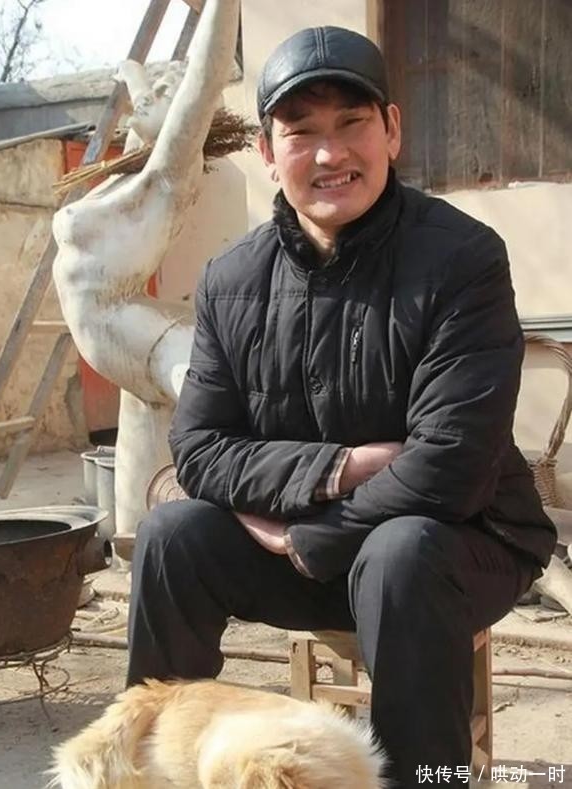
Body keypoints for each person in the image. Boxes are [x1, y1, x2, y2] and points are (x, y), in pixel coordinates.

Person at [126, 26, 557, 788]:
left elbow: (452, 465)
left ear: (390, 130)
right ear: (267, 150)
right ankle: (150, 767)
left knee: (399, 554)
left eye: (351, 123)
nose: (329, 155)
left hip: (461, 542)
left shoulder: (461, 260)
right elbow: (199, 447)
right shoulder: (231, 280)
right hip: (299, 547)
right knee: (170, 536)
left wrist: (304, 534)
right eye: (301, 132)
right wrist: (339, 467)